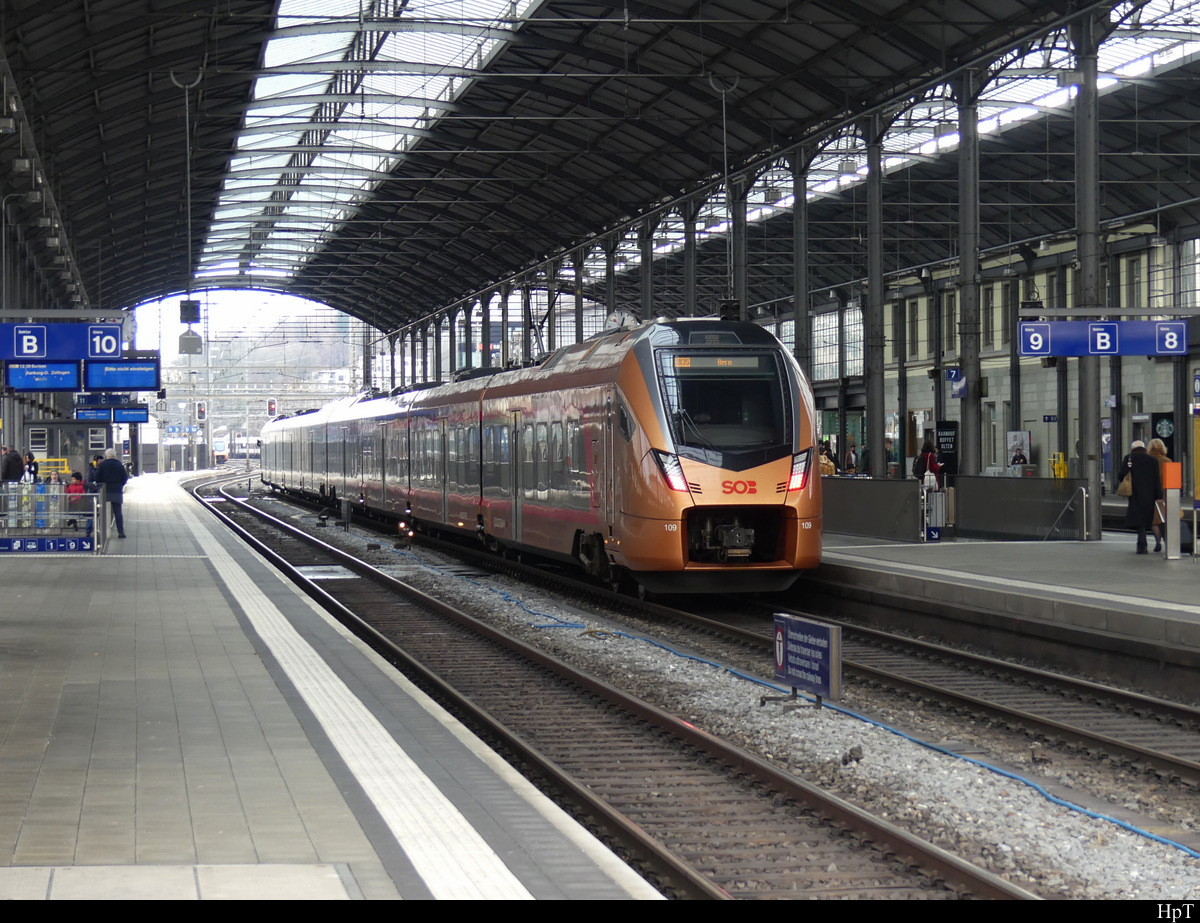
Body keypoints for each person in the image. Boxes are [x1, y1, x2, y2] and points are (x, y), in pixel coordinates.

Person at [1121, 440, 1161, 554]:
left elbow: (1122, 474)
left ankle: (1142, 545)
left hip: (1135, 493)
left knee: (1139, 521)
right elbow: (1156, 479)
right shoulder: (1153, 460)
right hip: (1150, 494)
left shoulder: (1129, 458)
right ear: (1144, 448)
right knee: (1148, 519)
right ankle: (1156, 541)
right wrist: (1158, 495)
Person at [94, 448, 129, 539]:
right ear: (115, 455)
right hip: (117, 490)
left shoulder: (102, 465)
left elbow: (97, 478)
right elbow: (125, 477)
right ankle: (121, 532)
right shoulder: (119, 464)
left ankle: (102, 531)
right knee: (118, 512)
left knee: (103, 512)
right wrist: (120, 485)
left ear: (106, 455)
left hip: (105, 490)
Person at [1148, 438, 1171, 553]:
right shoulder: (1167, 461)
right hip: (1167, 494)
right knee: (1168, 519)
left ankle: (1157, 541)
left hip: (1152, 495)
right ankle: (1169, 542)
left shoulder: (1148, 461)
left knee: (1155, 521)